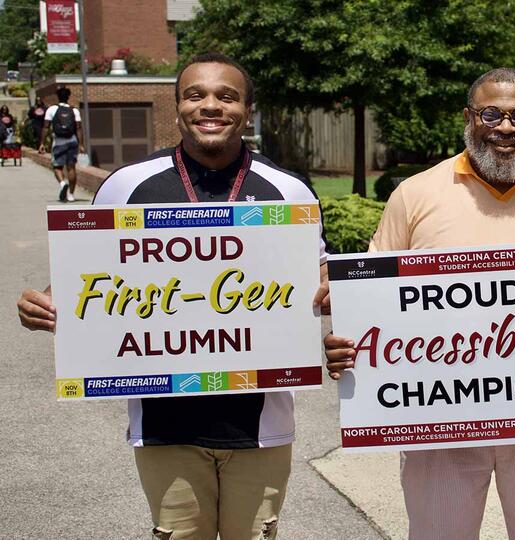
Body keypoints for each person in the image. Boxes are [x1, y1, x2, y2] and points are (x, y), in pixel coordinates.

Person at [18, 53, 329, 540]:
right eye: (195, 94)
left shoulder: (288, 191)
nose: (211, 107)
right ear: (177, 105)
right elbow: (89, 276)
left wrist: (336, 291)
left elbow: (316, 271)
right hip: (165, 425)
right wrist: (48, 302)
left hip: (261, 425)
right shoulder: (127, 185)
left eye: (227, 97)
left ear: (247, 110)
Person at [323, 67, 515, 539]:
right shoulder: (415, 195)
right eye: (491, 114)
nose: (505, 127)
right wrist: (347, 345)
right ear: (469, 117)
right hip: (439, 423)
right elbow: (371, 300)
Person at [39, 87, 85, 202]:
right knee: (71, 167)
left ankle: (62, 183)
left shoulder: (52, 109)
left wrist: (42, 143)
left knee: (57, 166)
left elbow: (45, 127)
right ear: (68, 97)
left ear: (58, 97)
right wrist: (81, 144)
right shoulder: (74, 110)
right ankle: (71, 195)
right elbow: (79, 128)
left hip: (58, 142)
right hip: (72, 141)